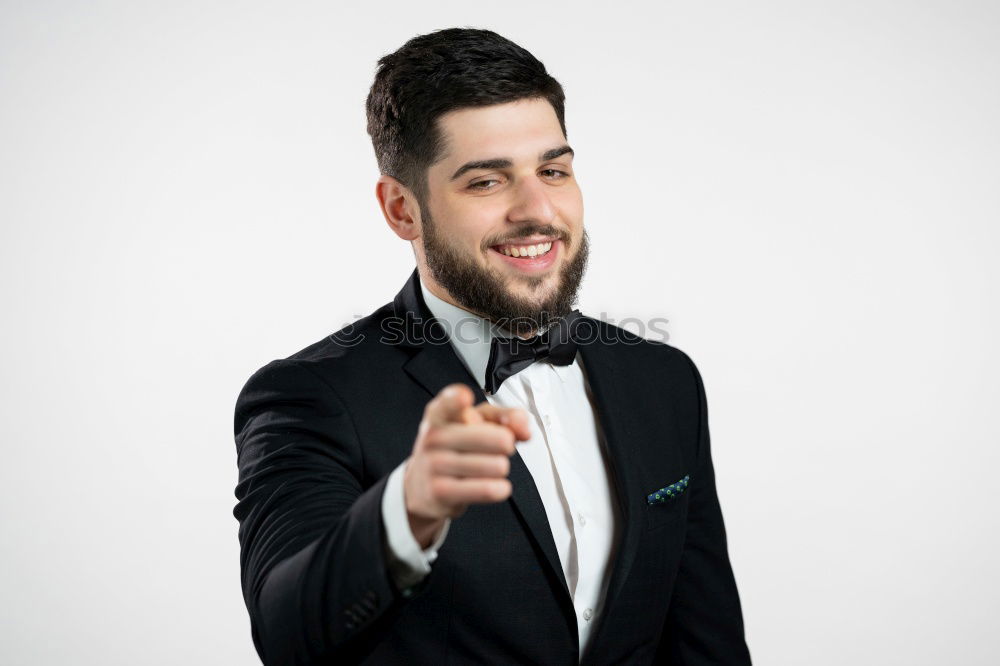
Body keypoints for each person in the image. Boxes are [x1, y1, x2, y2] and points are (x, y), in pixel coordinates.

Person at [233, 27, 751, 665]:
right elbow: (288, 635)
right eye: (486, 182)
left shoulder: (664, 379)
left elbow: (706, 640)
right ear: (402, 210)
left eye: (553, 170)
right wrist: (409, 509)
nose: (538, 210)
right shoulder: (308, 397)